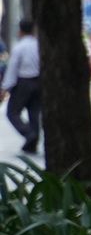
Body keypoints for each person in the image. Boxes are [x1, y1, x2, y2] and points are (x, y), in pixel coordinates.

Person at [1, 19, 42, 154]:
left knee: (12, 112)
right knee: (34, 113)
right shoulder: (39, 45)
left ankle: (29, 133)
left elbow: (12, 68)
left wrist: (5, 88)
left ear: (20, 31)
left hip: (24, 82)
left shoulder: (19, 47)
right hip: (38, 81)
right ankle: (32, 143)